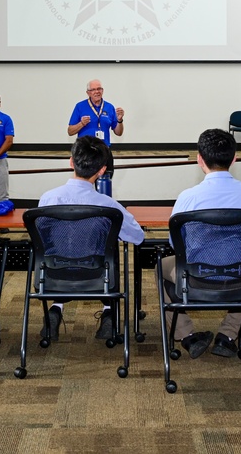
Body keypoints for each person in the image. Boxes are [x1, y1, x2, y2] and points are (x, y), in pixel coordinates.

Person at [163, 128, 241, 359]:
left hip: (196, 275)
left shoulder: (188, 197)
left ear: (200, 159)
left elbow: (175, 244)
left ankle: (187, 336)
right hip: (240, 274)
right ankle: (227, 336)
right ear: (234, 158)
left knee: (161, 266)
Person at [36, 136, 144, 340]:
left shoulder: (48, 199)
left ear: (71, 162)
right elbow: (138, 237)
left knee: (64, 245)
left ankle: (56, 308)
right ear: (102, 170)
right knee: (111, 248)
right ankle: (109, 311)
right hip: (97, 276)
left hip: (53, 274)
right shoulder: (108, 206)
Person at [67, 79, 124, 178]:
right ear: (88, 93)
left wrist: (119, 120)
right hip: (86, 152)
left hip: (104, 151)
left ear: (102, 90)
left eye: (99, 89)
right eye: (93, 90)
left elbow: (118, 132)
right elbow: (70, 131)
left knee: (105, 182)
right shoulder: (80, 106)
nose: (97, 92)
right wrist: (81, 124)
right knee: (85, 183)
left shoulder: (109, 107)